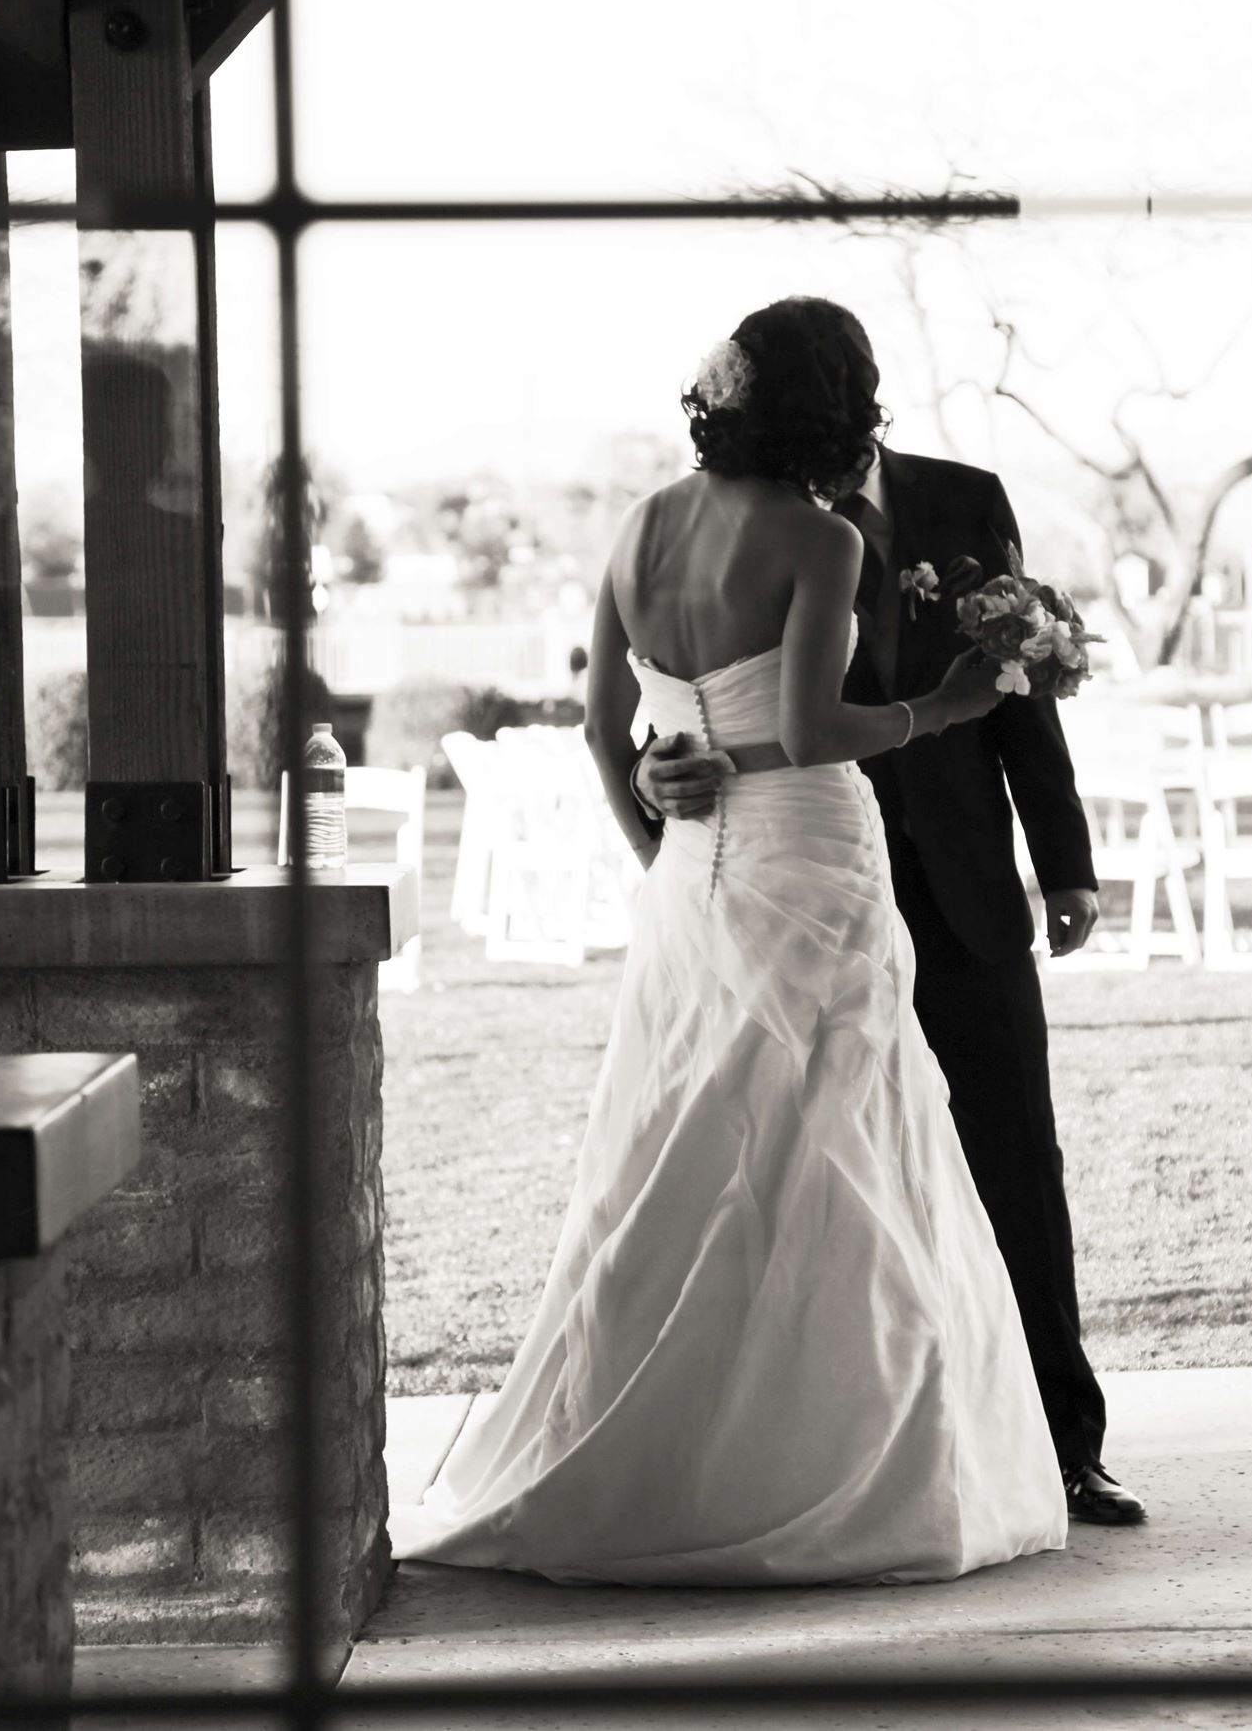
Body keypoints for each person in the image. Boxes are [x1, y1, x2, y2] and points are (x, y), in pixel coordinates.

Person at [392, 297, 1067, 1584]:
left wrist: (661, 852)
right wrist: (941, 704)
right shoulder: (818, 542)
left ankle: (661, 1450)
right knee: (842, 1138)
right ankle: (842, 1461)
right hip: (810, 851)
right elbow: (814, 731)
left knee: (684, 1143)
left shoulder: (641, 523)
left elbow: (603, 729)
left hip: (698, 873)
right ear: (835, 406)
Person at [634, 306, 1144, 1527]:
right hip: (809, 892)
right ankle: (876, 1451)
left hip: (963, 888)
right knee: (824, 1171)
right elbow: (678, 688)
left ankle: (1064, 1447)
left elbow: (1021, 691)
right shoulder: (742, 524)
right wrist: (659, 771)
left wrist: (1062, 861)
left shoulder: (966, 498)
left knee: (1015, 1161)